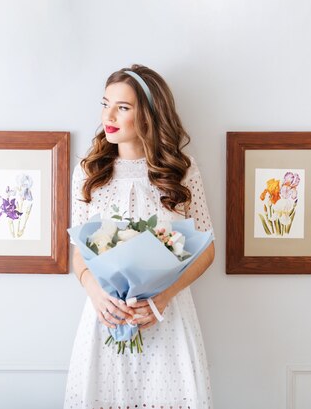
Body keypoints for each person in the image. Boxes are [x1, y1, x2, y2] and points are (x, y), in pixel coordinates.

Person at [65, 64, 215, 409]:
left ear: (147, 114)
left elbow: (206, 251)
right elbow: (78, 252)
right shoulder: (89, 172)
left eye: (123, 107)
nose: (109, 115)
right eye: (105, 104)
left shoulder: (182, 171)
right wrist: (96, 293)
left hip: (168, 320)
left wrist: (163, 299)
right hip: (106, 318)